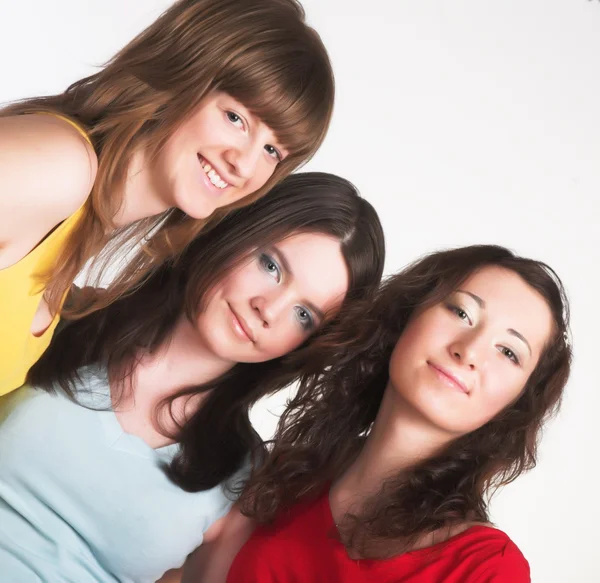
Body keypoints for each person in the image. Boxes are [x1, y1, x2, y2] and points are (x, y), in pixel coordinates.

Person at [0, 0, 334, 395]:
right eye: (236, 118)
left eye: (272, 151)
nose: (244, 166)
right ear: (182, 70)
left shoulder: (79, 225)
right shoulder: (60, 167)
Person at [208, 245, 571, 583]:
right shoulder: (288, 474)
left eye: (509, 352)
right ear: (407, 317)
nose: (470, 351)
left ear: (516, 404)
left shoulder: (488, 569)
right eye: (462, 312)